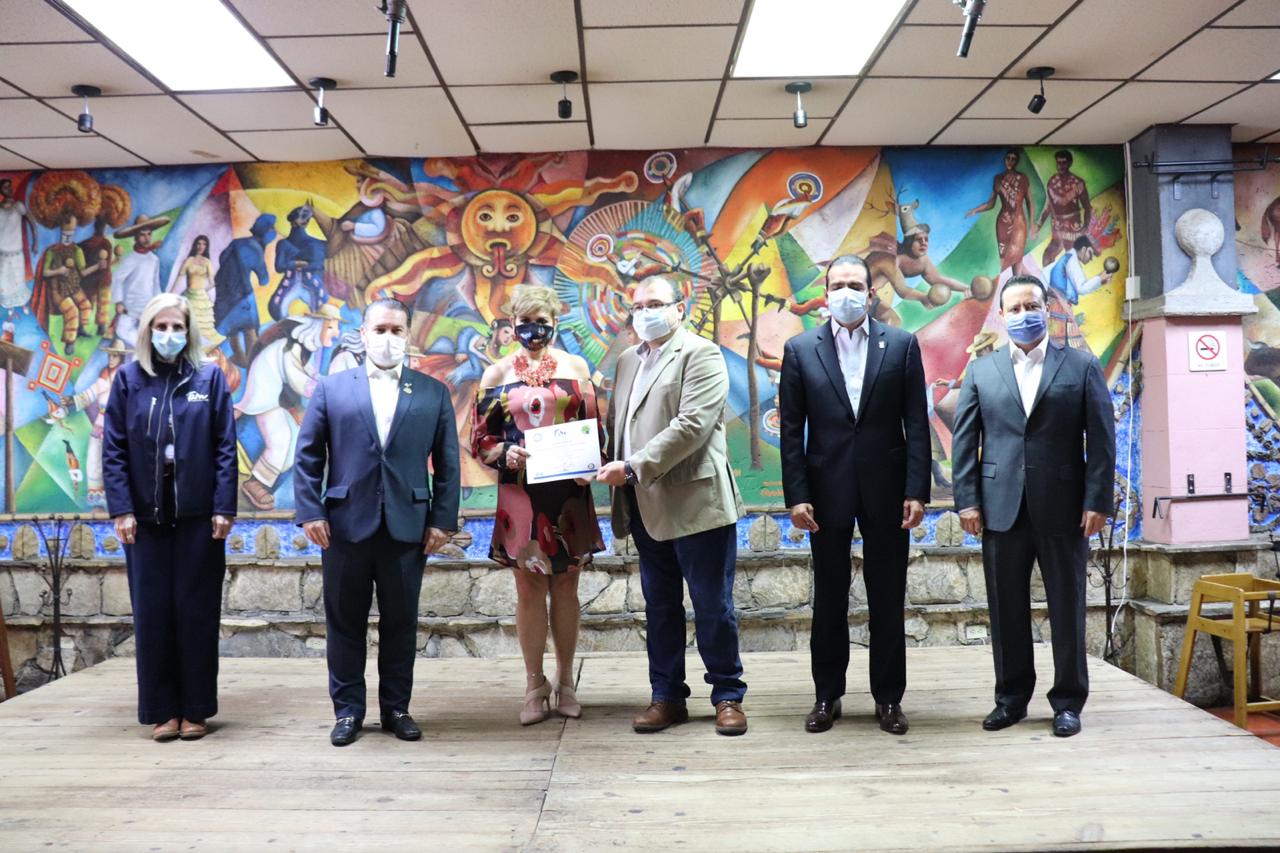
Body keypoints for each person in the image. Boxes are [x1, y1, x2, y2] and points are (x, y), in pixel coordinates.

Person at [951, 274, 1115, 738]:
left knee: (1067, 606)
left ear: (1047, 309)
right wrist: (967, 501)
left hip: (1065, 507)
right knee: (1005, 608)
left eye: (1032, 305)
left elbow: (1101, 439)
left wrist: (1097, 500)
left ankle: (1068, 702)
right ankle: (1011, 699)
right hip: (1000, 507)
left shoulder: (1081, 365)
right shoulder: (982, 371)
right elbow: (964, 442)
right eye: (1016, 308)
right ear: (1002, 316)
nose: (1025, 314)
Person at [294, 298, 461, 747]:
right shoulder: (331, 389)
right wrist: (311, 512)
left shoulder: (432, 392)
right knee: (344, 623)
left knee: (401, 623)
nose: (388, 338)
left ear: (408, 335)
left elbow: (448, 463)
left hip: (409, 526)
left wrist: (442, 521)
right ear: (363, 334)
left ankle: (396, 709)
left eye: (397, 330)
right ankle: (348, 711)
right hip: (344, 526)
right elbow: (307, 456)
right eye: (380, 329)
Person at [778, 254, 930, 736]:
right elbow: (791, 429)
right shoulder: (800, 349)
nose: (846, 293)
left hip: (888, 490)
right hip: (825, 492)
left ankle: (889, 699)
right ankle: (827, 695)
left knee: (887, 596)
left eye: (855, 285)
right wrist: (796, 494)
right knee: (829, 598)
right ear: (825, 294)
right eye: (837, 285)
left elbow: (917, 423)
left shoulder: (901, 344)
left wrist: (917, 489)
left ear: (870, 292)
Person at [596, 275, 748, 737]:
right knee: (660, 607)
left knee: (712, 605)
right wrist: (589, 460)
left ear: (679, 309)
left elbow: (692, 426)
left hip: (696, 502)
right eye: (638, 305)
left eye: (655, 303)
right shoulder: (627, 360)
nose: (646, 312)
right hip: (645, 504)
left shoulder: (701, 354)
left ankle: (727, 696)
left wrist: (631, 467)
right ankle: (666, 697)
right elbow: (618, 425)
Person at [102, 293, 237, 742]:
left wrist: (224, 507)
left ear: (188, 331)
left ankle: (195, 710)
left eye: (177, 326)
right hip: (145, 520)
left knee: (196, 612)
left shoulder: (208, 377)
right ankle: (162, 712)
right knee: (153, 615)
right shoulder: (128, 380)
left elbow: (225, 447)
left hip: (200, 518)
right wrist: (122, 508)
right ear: (147, 331)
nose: (169, 334)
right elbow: (114, 448)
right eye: (160, 327)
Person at [472, 284, 603, 725]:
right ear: (511, 325)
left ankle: (566, 680)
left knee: (566, 585)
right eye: (524, 322)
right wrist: (502, 453)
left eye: (541, 321)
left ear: (555, 323)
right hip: (520, 494)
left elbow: (594, 426)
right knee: (528, 588)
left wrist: (592, 463)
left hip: (568, 493)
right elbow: (480, 439)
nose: (533, 329)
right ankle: (534, 684)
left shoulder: (576, 366)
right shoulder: (495, 374)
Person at [237, 305, 340, 510]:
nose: (336, 333)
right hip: (265, 397)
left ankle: (270, 480)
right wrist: (326, 389)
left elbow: (310, 375)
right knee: (281, 438)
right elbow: (299, 382)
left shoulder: (302, 349)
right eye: (330, 327)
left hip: (278, 399)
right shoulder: (290, 348)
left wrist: (329, 384)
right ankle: (256, 483)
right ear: (316, 326)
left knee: (296, 438)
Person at [64, 339, 131, 507]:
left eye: (115, 356)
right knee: (94, 456)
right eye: (110, 356)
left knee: (121, 458)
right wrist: (73, 400)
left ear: (121, 357)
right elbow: (91, 393)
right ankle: (96, 493)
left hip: (120, 422)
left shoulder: (127, 376)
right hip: (101, 420)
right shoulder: (104, 375)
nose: (111, 359)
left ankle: (120, 495)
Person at [214, 213, 276, 367]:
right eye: (272, 229)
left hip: (224, 292)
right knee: (250, 327)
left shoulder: (237, 242)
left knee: (232, 328)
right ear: (266, 232)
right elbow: (264, 279)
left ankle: (239, 356)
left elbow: (222, 258)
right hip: (242, 294)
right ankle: (252, 359)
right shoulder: (255, 249)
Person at [966, 149, 1037, 276]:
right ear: (1004, 160)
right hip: (1003, 222)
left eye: (1013, 159)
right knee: (1005, 258)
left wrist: (1032, 225)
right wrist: (975, 210)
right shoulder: (998, 179)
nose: (1010, 161)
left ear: (1017, 161)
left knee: (1017, 256)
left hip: (1019, 222)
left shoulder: (1023, 178)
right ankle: (1029, 280)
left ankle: (1020, 282)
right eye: (1008, 158)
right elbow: (991, 203)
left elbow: (1030, 203)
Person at [269, 204, 327, 320]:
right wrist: (300, 264)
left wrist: (292, 264)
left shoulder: (315, 244)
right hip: (293, 282)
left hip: (309, 284)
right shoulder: (285, 244)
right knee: (277, 309)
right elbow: (279, 267)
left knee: (321, 312)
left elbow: (319, 265)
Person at [1036, 150, 1092, 267]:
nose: (1061, 166)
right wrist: (1039, 225)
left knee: (1071, 260)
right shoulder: (1052, 182)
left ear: (1069, 163)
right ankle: (1049, 279)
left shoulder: (1078, 183)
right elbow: (1048, 206)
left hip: (1072, 226)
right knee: (1047, 256)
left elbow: (1087, 207)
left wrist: (1085, 226)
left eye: (1064, 163)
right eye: (1058, 163)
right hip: (1057, 227)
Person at [171, 235, 223, 347]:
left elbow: (212, 282)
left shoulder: (207, 262)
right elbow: (179, 278)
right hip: (189, 296)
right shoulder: (189, 261)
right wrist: (171, 294)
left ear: (206, 247)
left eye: (204, 244)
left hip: (201, 298)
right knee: (187, 325)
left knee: (202, 327)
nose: (201, 246)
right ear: (195, 245)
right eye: (199, 244)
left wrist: (203, 292)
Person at [0, 178, 37, 315]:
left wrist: (35, 242)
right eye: (5, 187)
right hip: (2, 252)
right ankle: (9, 307)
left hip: (17, 250)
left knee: (18, 278)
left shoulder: (18, 206)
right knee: (4, 280)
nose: (9, 190)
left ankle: (22, 304)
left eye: (10, 187)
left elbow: (32, 223)